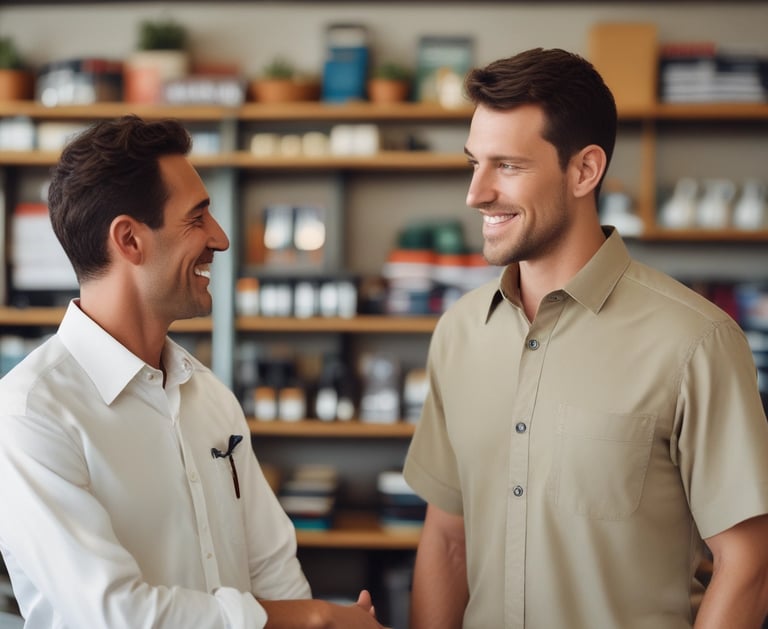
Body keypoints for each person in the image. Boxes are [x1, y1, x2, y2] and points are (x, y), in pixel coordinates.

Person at [403, 48, 768, 629]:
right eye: (475, 162)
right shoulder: (459, 333)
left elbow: (749, 564)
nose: (476, 193)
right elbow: (448, 539)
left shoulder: (696, 341)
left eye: (508, 166)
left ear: (584, 171)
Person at [0, 115, 384, 629]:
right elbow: (115, 615)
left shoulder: (208, 395)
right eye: (197, 217)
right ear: (130, 240)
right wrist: (313, 619)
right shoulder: (29, 413)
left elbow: (271, 568)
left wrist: (310, 619)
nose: (220, 239)